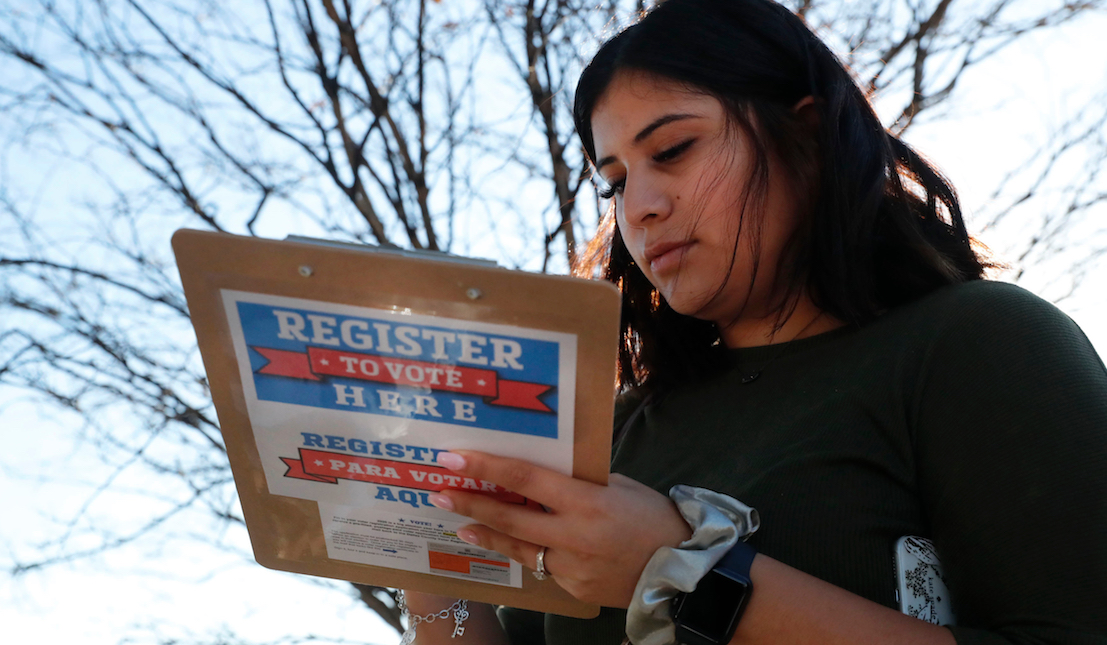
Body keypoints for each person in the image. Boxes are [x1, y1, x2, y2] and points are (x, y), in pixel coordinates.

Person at [400, 0, 1107, 643]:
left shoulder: (980, 345)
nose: (638, 206)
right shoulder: (611, 432)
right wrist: (420, 551)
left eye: (672, 150)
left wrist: (686, 572)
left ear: (804, 136)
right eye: (614, 182)